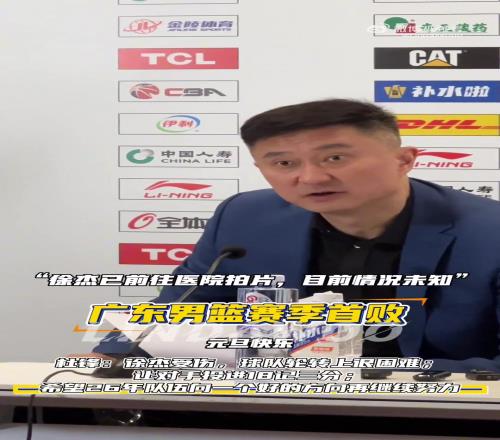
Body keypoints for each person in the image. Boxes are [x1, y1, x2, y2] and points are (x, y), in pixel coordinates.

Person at [93, 99, 500, 372]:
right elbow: (176, 309)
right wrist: (113, 355)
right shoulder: (244, 217)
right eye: (284, 163)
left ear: (404, 159)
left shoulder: (487, 232)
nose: (311, 178)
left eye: (335, 157)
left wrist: (360, 374)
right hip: (273, 407)